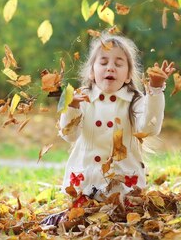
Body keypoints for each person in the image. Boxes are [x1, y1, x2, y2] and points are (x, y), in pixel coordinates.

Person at [59, 33, 175, 204]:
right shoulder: (77, 97)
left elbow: (149, 128)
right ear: (92, 72)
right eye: (104, 62)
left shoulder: (135, 100)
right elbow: (68, 135)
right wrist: (71, 107)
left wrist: (155, 90)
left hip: (123, 187)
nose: (110, 68)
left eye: (119, 64)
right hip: (85, 183)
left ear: (128, 75)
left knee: (121, 216)